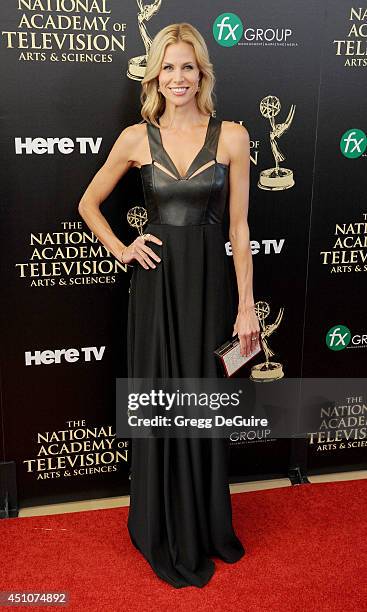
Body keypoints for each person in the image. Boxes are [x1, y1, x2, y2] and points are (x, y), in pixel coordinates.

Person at [78, 22, 260, 588]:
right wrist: (122, 248)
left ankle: (205, 524)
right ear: (155, 73)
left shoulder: (232, 137)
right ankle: (158, 523)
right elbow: (88, 203)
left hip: (209, 288)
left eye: (187, 66)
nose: (177, 77)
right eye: (168, 66)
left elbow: (239, 226)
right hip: (157, 289)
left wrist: (247, 306)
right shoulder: (136, 138)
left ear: (201, 72)